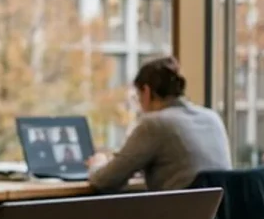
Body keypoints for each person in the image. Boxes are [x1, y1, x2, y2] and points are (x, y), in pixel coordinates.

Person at [87, 56, 232, 192]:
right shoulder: (212, 118)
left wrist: (97, 164)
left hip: (182, 215)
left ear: (146, 91)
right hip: (221, 215)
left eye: (138, 97)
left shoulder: (154, 124)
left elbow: (105, 180)